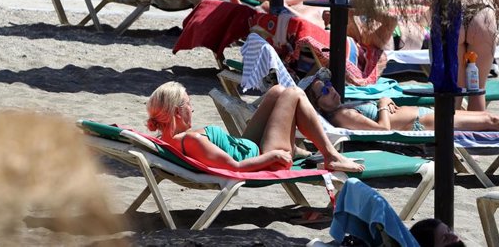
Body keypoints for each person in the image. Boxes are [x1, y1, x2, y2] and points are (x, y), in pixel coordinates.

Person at [146, 81, 365, 172]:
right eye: (189, 103)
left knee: (278, 90)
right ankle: (331, 155)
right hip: (263, 156)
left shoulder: (166, 138)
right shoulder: (190, 140)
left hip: (246, 145)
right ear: (176, 111)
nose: (192, 109)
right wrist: (274, 155)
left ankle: (299, 149)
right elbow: (235, 168)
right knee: (294, 93)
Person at [301, 68, 499, 132]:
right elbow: (384, 129)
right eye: (322, 91)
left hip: (422, 113)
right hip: (420, 123)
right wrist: (384, 104)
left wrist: (382, 101)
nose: (330, 89)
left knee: (490, 120)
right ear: (318, 106)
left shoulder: (342, 106)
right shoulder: (339, 116)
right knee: (490, 119)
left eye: (327, 84)